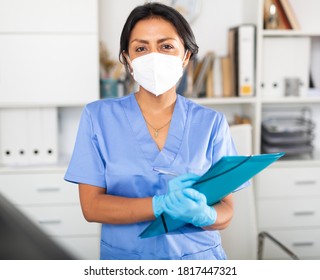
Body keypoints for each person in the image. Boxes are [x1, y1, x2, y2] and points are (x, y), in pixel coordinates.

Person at [64, 2, 244, 260]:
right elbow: (92, 207)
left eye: (166, 46)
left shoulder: (211, 123)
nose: (154, 57)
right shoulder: (97, 118)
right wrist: (159, 205)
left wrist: (207, 215)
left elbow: (226, 210)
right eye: (141, 48)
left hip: (197, 260)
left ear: (185, 56)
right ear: (127, 58)